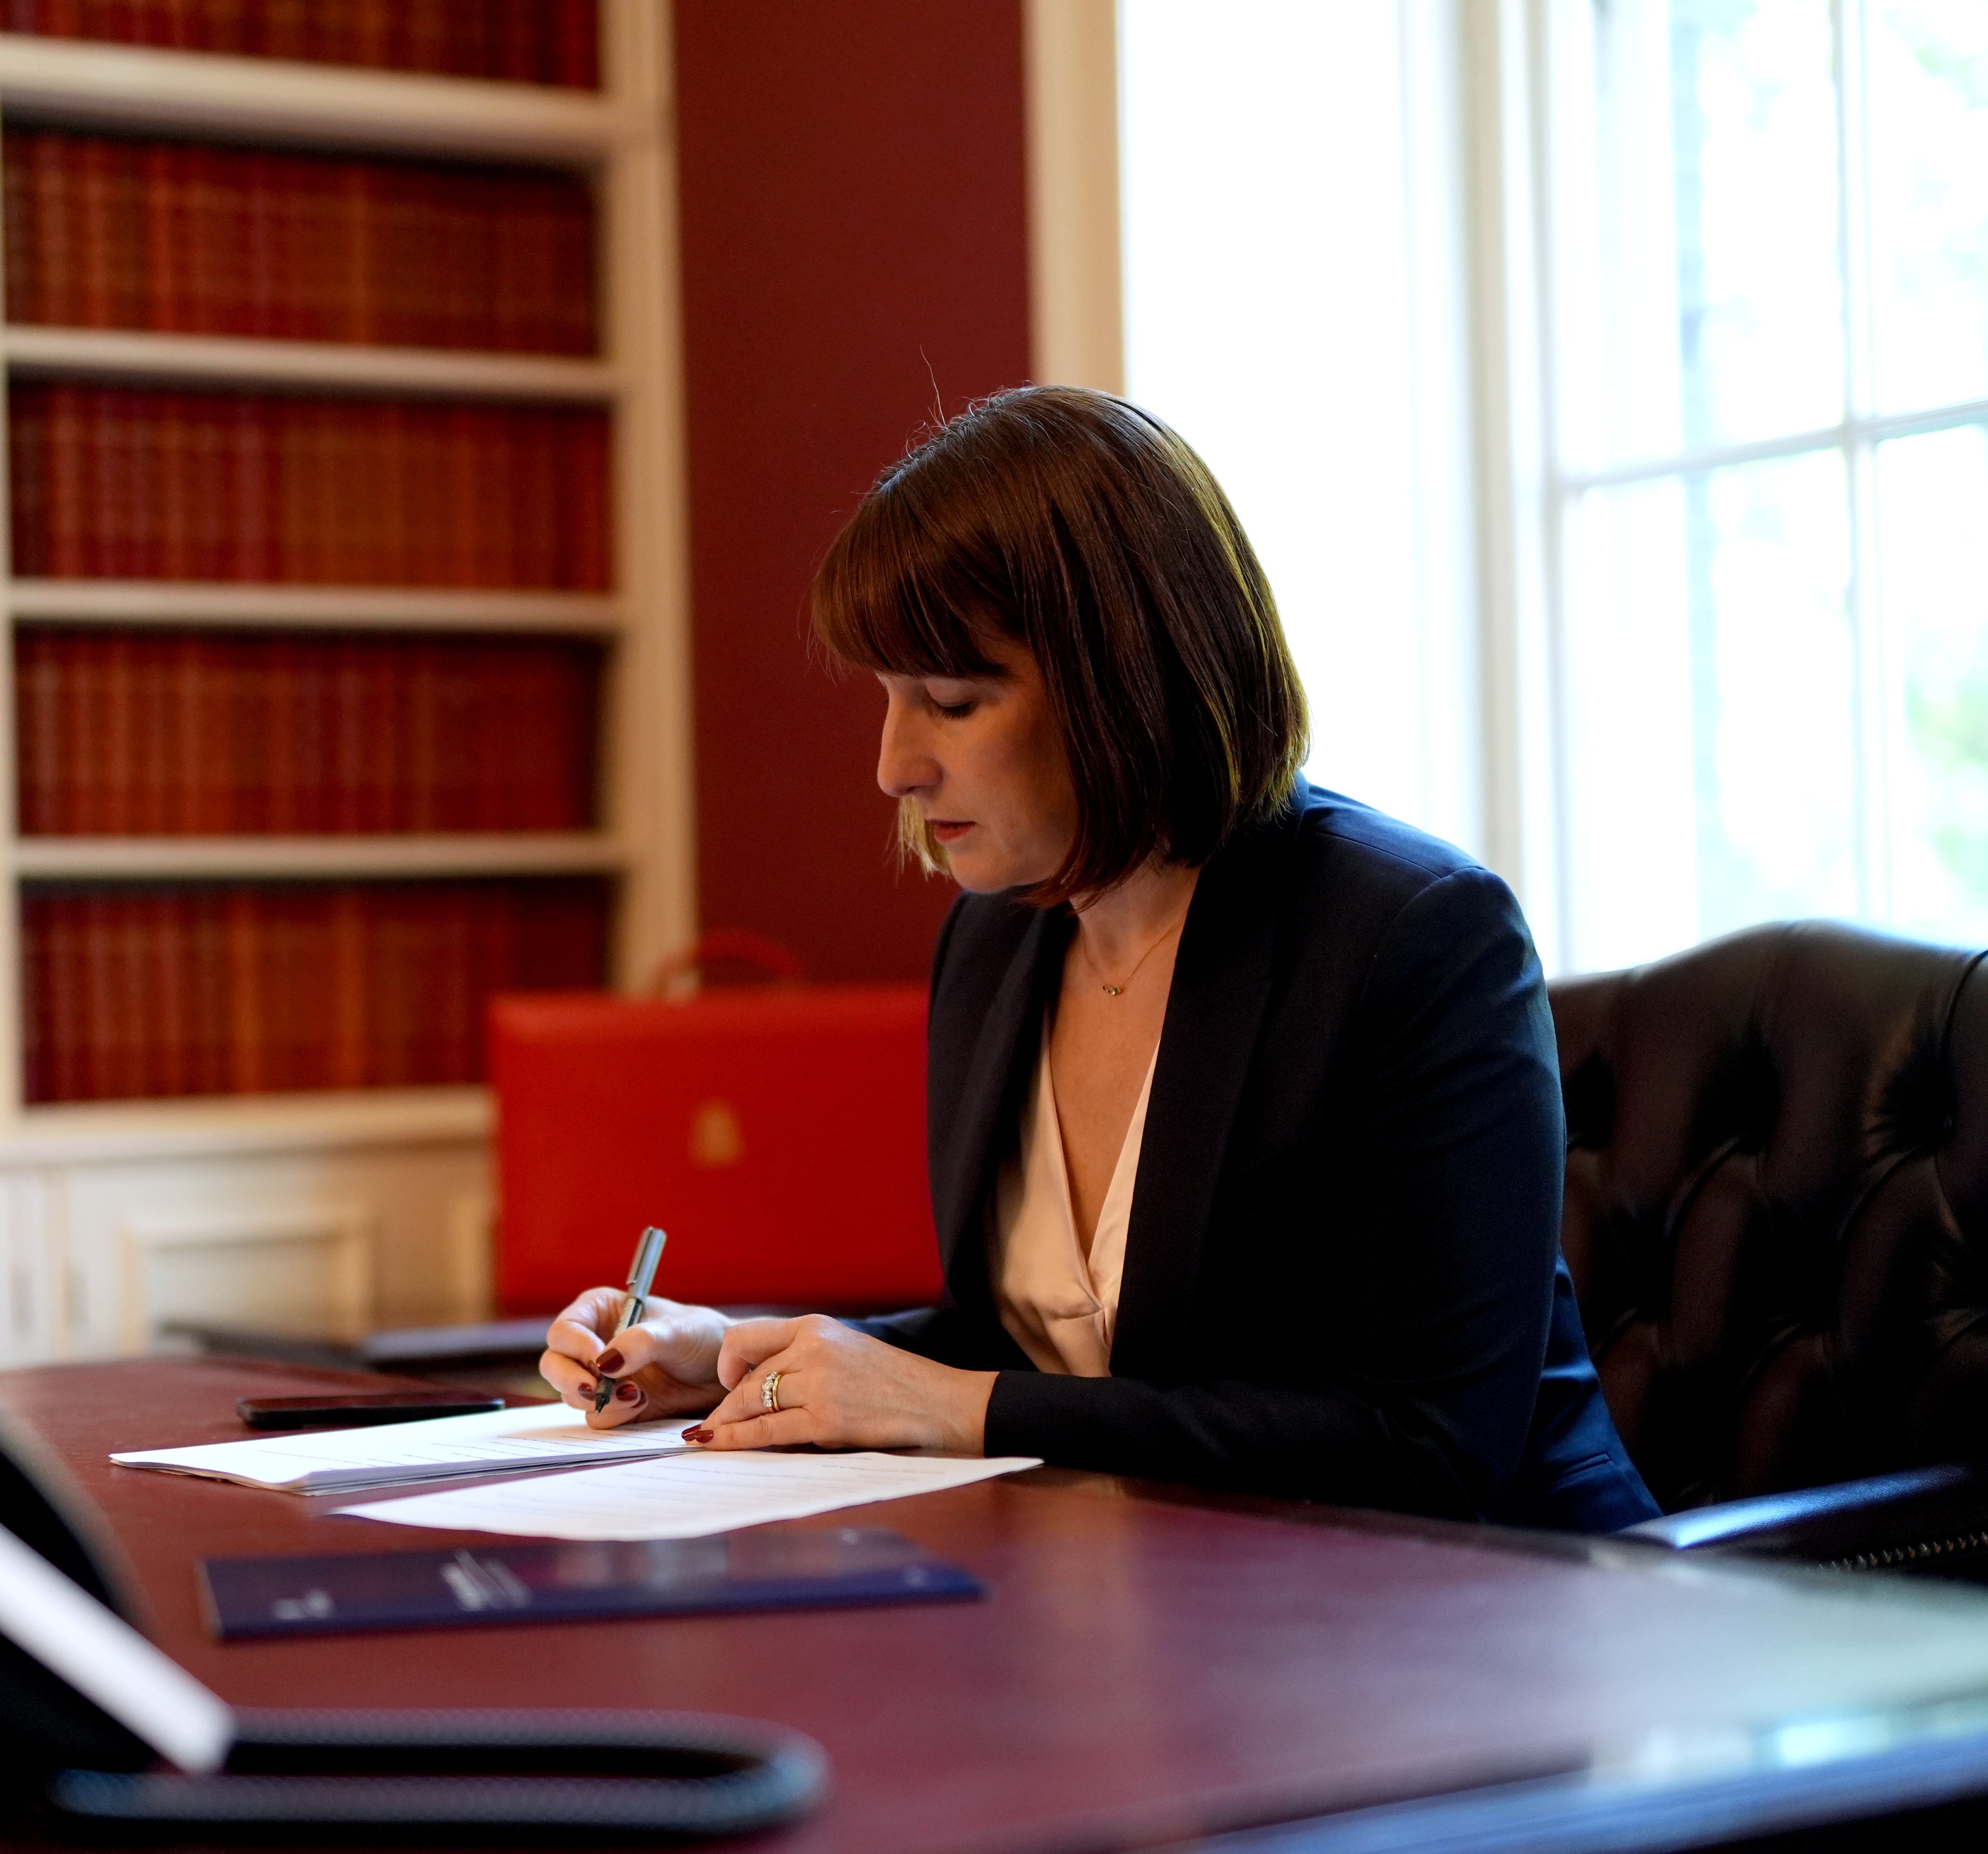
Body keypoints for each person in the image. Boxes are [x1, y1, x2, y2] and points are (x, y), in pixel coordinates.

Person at [539, 386, 1657, 1530]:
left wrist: (967, 1409)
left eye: (953, 701)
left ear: (1128, 679)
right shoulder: (995, 939)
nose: (893, 766)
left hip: (1492, 1615)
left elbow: (1424, 1449)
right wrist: (739, 1359)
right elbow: (1030, 1347)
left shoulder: (1416, 938)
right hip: (1177, 1594)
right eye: (887, 699)